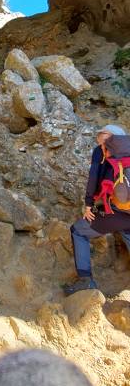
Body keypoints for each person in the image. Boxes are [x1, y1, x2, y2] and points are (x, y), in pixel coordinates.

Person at [64, 124, 130, 295]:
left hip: (117, 212)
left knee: (78, 231)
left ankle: (85, 281)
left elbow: (94, 178)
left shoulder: (101, 150)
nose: (99, 138)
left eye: (102, 134)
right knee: (126, 231)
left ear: (109, 136)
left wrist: (88, 204)